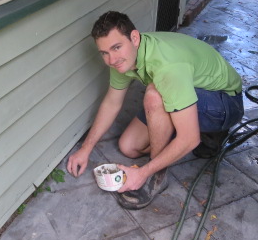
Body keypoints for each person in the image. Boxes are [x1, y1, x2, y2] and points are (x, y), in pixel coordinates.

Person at [66, 11, 244, 209]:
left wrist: (142, 173)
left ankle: (158, 177)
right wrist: (86, 148)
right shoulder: (124, 59)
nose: (111, 59)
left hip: (224, 103)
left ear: (134, 38)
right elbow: (111, 103)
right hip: (188, 89)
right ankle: (180, 129)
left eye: (116, 47)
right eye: (104, 53)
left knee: (154, 95)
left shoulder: (166, 65)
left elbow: (190, 139)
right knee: (129, 146)